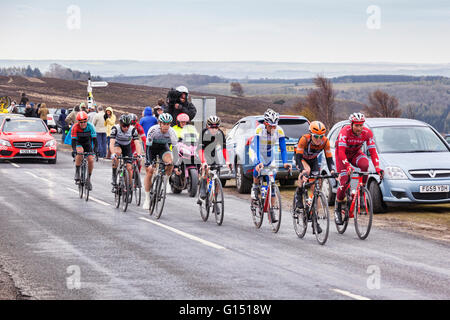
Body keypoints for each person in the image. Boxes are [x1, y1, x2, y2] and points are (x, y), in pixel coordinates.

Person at [334, 112, 384, 225]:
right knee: (344, 181)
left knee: (365, 165)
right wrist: (347, 166)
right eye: (356, 125)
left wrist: (377, 168)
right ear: (351, 124)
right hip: (342, 156)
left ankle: (362, 190)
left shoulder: (367, 133)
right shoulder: (344, 131)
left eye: (361, 125)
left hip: (355, 154)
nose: (359, 128)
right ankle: (338, 208)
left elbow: (373, 152)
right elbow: (341, 152)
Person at [250, 109, 292, 222]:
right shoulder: (259, 130)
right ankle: (255, 186)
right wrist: (258, 162)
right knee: (258, 169)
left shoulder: (279, 131)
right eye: (270, 126)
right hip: (256, 151)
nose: (273, 128)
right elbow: (256, 147)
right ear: (265, 124)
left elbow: (283, 149)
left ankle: (271, 209)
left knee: (271, 180)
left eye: (274, 126)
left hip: (269, 154)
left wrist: (285, 162)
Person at [294, 121, 336, 234]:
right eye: (316, 136)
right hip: (301, 159)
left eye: (321, 136)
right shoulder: (304, 139)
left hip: (313, 160)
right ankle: (299, 193)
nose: (318, 139)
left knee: (317, 186)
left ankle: (314, 219)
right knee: (306, 172)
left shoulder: (325, 142)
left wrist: (332, 170)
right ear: (311, 134)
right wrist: (302, 171)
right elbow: (298, 158)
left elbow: (329, 158)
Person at [142, 113, 178, 210]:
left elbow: (175, 149)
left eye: (168, 124)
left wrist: (177, 165)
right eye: (164, 123)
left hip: (163, 148)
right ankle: (147, 199)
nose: (166, 126)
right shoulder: (153, 130)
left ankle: (166, 181)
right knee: (149, 171)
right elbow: (148, 148)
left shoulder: (172, 132)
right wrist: (149, 163)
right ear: (160, 123)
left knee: (170, 162)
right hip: (151, 149)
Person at [197, 115, 232, 201]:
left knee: (216, 178)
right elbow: (200, 150)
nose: (214, 129)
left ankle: (215, 200)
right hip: (202, 152)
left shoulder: (220, 134)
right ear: (208, 126)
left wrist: (227, 161)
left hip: (213, 154)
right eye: (212, 127)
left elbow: (224, 149)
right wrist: (203, 162)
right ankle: (202, 187)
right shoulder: (204, 133)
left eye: (216, 127)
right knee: (205, 168)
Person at [110, 114, 144, 192]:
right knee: (117, 153)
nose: (126, 128)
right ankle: (114, 175)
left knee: (129, 167)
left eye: (127, 126)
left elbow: (137, 143)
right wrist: (112, 154)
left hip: (127, 146)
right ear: (120, 124)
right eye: (124, 126)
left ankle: (129, 185)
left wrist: (139, 154)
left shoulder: (132, 129)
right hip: (117, 144)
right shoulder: (115, 128)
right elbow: (111, 143)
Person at [71, 111, 98, 190]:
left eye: (84, 122)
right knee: (80, 152)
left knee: (91, 160)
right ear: (78, 121)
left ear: (87, 121)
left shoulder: (91, 126)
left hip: (88, 144)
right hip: (79, 143)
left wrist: (96, 149)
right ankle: (77, 171)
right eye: (81, 122)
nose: (83, 124)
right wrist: (74, 150)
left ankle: (88, 179)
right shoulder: (75, 127)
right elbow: (73, 141)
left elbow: (95, 140)